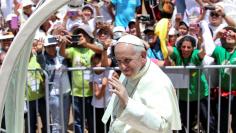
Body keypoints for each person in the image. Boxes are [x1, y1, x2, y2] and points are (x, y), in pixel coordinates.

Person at [102, 34, 181, 133]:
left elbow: (163, 126)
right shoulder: (129, 72)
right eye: (118, 61)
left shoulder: (159, 81)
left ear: (143, 56)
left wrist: (127, 103)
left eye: (127, 60)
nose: (122, 67)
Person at [166, 35, 216, 133]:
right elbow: (167, 49)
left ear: (193, 48)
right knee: (184, 124)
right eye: (183, 47)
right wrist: (164, 35)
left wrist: (202, 42)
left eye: (189, 47)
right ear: (180, 47)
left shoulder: (195, 54)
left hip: (200, 95)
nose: (186, 49)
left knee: (207, 122)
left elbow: (202, 53)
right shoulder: (177, 53)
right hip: (183, 98)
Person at [204, 26, 236, 133]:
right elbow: (206, 50)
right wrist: (216, 36)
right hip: (223, 94)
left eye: (232, 33)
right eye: (227, 33)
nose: (229, 35)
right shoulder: (219, 50)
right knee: (222, 124)